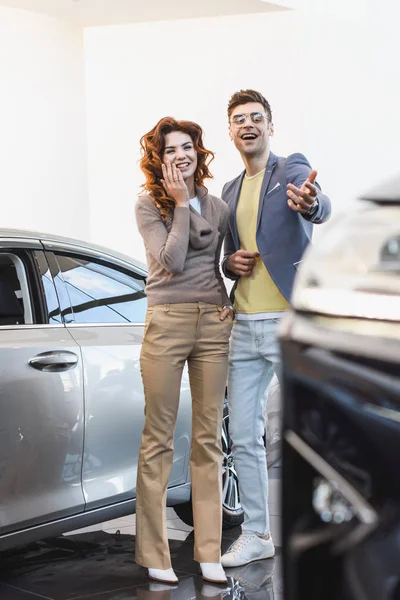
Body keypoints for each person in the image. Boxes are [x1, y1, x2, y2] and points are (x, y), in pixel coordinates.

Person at [220, 90, 332, 567]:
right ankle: (257, 534)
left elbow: (319, 203)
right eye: (239, 119)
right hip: (243, 324)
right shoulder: (227, 191)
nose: (248, 125)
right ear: (230, 130)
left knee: (307, 433)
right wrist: (230, 262)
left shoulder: (290, 170)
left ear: (270, 126)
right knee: (244, 436)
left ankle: (321, 530)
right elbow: (228, 256)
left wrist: (310, 204)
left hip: (288, 321)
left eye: (256, 118)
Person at [134, 117, 234, 585]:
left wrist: (228, 295)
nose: (182, 154)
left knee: (208, 439)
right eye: (171, 149)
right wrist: (178, 204)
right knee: (159, 438)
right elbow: (171, 262)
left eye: (188, 146)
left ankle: (209, 550)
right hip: (167, 322)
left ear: (199, 152)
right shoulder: (148, 204)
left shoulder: (216, 206)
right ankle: (155, 554)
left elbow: (217, 263)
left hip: (212, 322)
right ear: (160, 158)